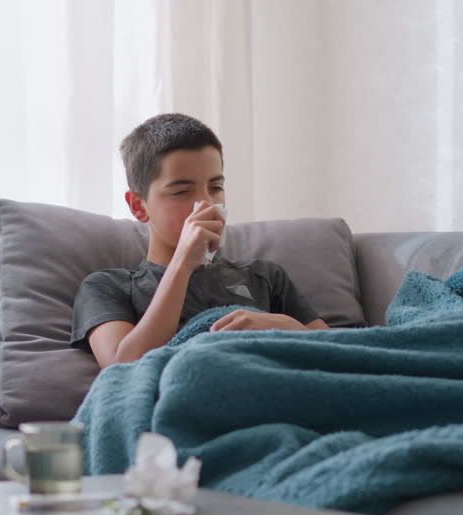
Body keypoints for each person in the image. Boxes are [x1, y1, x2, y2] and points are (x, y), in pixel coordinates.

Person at [71, 113, 329, 369]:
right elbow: (123, 366)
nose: (207, 203)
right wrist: (182, 264)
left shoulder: (265, 277)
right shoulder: (108, 287)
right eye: (182, 192)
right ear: (139, 205)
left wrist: (290, 328)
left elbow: (340, 353)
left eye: (216, 188)